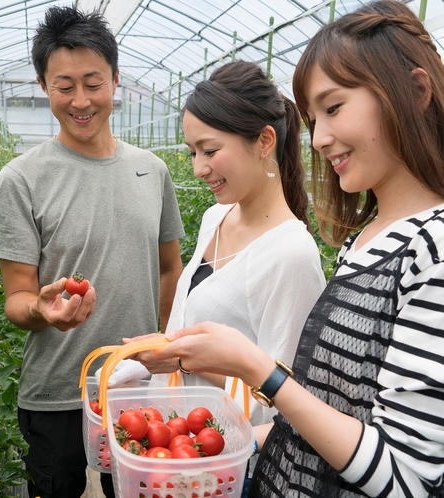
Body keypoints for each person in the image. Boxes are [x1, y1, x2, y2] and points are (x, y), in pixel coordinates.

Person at [146, 1, 444, 497]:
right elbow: (331, 414)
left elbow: (404, 477)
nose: (318, 138)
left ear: (417, 91)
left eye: (334, 108)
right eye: (313, 118)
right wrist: (225, 444)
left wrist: (260, 370)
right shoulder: (366, 240)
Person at [0, 6, 185, 498]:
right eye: (64, 86)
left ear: (115, 80)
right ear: (42, 85)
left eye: (93, 83)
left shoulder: (151, 170)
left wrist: (154, 349)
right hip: (56, 394)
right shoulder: (21, 179)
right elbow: (16, 299)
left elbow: (169, 269)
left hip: (135, 390)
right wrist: (43, 310)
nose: (80, 101)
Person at [124, 59, 326, 490]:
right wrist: (158, 355)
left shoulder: (290, 254)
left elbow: (285, 398)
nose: (199, 168)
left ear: (264, 141)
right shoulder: (216, 218)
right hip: (176, 443)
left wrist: (176, 358)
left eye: (210, 151)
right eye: (193, 152)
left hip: (225, 464)